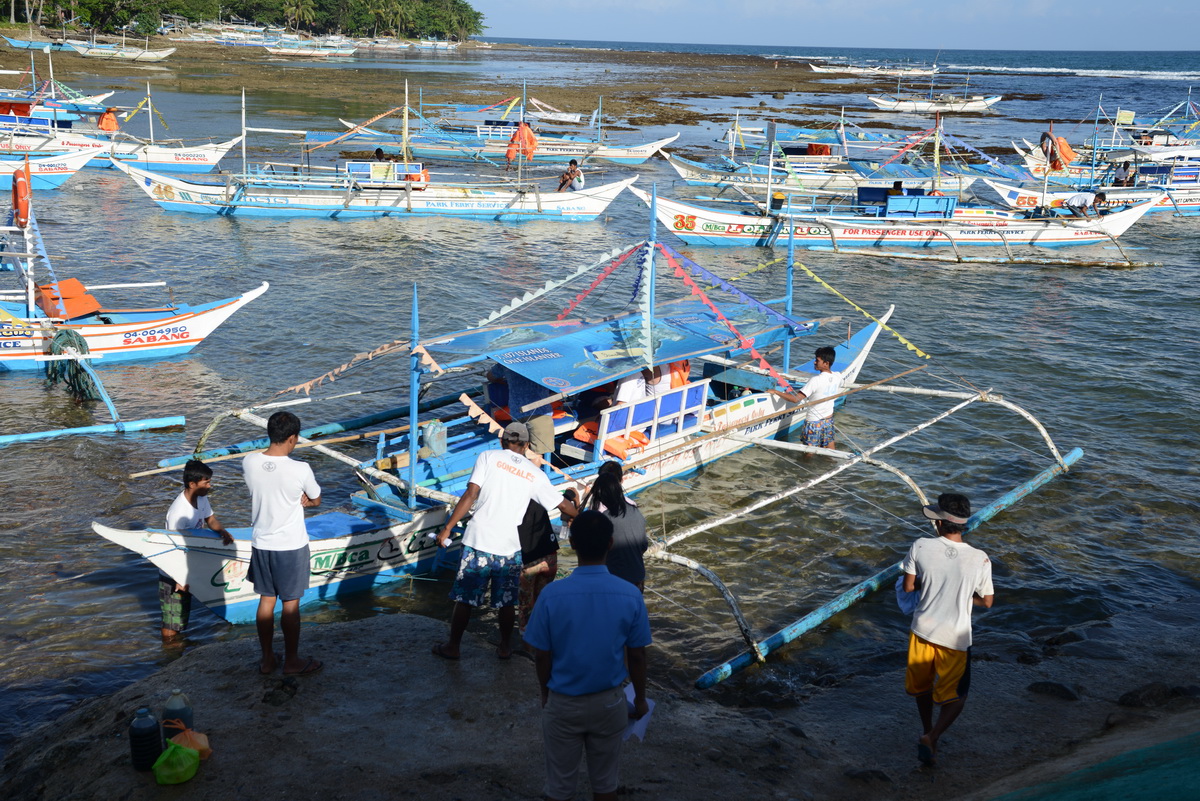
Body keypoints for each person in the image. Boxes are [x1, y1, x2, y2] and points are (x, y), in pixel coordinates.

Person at [525, 510, 651, 801]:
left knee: (559, 786)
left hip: (563, 702)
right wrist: (641, 698)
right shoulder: (630, 594)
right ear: (610, 544)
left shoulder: (552, 595)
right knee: (606, 784)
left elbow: (541, 655)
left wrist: (545, 693)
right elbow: (637, 656)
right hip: (609, 702)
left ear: (572, 545)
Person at [433, 422, 578, 660]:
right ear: (527, 445)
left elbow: (471, 494)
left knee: (465, 599)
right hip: (510, 547)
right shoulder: (535, 474)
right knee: (506, 602)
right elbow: (563, 505)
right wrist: (582, 517)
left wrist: (448, 528)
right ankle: (505, 648)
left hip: (478, 541)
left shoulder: (488, 456)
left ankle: (453, 646)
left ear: (502, 441)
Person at [902, 493, 994, 767]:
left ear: (940, 523)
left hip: (922, 631)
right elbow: (987, 602)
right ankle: (933, 736)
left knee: (922, 688)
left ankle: (927, 730)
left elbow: (908, 587)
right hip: (956, 637)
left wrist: (929, 585)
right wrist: (964, 596)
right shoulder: (980, 558)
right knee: (956, 695)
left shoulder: (920, 546)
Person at [242, 411, 323, 677]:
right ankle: (292, 661)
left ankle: (266, 660)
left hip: (261, 543)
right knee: (290, 604)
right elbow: (316, 498)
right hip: (290, 546)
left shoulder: (249, 462)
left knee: (266, 600)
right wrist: (306, 501)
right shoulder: (300, 469)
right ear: (292, 438)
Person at [161, 460, 233, 641]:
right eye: (206, 482)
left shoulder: (202, 498)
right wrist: (178, 577)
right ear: (192, 484)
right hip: (173, 570)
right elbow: (172, 548)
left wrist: (222, 532)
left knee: (183, 614)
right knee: (172, 617)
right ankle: (169, 650)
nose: (210, 485)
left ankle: (178, 644)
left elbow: (210, 519)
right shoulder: (178, 512)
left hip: (189, 565)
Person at [517, 488, 579, 634]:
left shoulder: (514, 498)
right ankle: (545, 635)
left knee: (525, 607)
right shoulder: (542, 492)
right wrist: (574, 500)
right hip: (549, 556)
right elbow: (568, 495)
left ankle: (528, 642)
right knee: (543, 601)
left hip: (528, 561)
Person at [584, 468, 648, 590]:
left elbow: (590, 553)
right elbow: (644, 546)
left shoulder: (603, 519)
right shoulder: (635, 510)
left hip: (614, 581)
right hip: (637, 578)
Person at [768, 345, 843, 448]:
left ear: (826, 364)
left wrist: (776, 392)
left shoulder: (815, 380)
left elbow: (795, 399)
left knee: (808, 453)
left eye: (817, 360)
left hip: (814, 422)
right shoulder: (837, 376)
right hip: (828, 420)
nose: (814, 362)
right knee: (830, 447)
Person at [488, 362, 557, 458]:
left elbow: (490, 376)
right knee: (537, 455)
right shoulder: (544, 361)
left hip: (516, 413)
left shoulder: (507, 360)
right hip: (540, 412)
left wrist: (507, 379)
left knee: (520, 453)